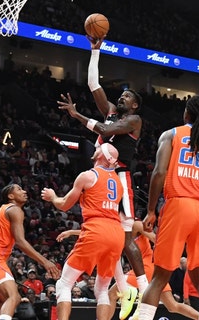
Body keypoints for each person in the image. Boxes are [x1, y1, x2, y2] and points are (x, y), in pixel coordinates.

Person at [58, 37, 147, 318]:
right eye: (121, 95)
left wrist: (77, 116)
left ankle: (142, 287)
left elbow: (108, 132)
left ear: (134, 106)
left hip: (120, 176)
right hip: (104, 176)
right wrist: (95, 50)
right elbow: (93, 85)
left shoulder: (133, 121)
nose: (122, 97)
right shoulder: (110, 112)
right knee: (113, 237)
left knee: (126, 233)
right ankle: (124, 286)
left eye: (128, 96)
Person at [136, 95, 199, 320]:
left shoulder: (172, 135)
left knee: (160, 276)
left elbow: (159, 173)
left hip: (179, 205)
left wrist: (151, 210)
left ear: (187, 114)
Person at [40, 143, 125, 320]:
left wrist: (53, 197)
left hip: (96, 228)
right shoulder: (118, 182)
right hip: (116, 233)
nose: (95, 149)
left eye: (99, 149)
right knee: (101, 289)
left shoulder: (88, 176)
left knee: (64, 284)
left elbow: (64, 205)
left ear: (102, 156)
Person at [57, 220, 199, 320]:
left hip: (143, 268)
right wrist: (71, 232)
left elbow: (157, 239)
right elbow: (96, 233)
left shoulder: (135, 224)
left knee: (110, 294)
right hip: (152, 271)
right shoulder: (117, 228)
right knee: (172, 306)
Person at [0, 184, 60, 320]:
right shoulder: (15, 210)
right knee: (13, 297)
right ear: (10, 196)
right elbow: (20, 241)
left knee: (5, 299)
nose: (24, 191)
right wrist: (45, 262)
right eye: (19, 189)